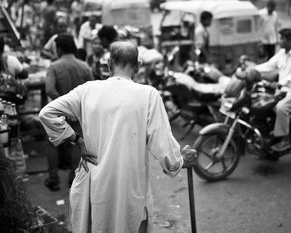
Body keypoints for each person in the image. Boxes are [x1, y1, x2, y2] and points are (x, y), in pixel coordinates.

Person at [39, 41, 197, 232]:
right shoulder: (148, 95)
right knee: (131, 222)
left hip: (95, 183)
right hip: (130, 185)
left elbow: (47, 113)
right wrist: (179, 161)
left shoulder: (87, 90)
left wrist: (76, 140)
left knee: (96, 224)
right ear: (137, 66)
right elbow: (161, 142)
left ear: (108, 64)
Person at [44, 33, 94, 191]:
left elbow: (50, 89)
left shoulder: (54, 66)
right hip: (79, 114)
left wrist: (63, 107)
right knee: (77, 144)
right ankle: (74, 179)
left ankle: (54, 179)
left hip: (60, 114)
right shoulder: (84, 66)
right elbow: (93, 91)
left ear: (58, 49)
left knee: (52, 142)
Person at [253, 28, 291, 151]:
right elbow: (269, 65)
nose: (279, 41)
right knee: (263, 102)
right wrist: (252, 69)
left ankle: (285, 140)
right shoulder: (282, 53)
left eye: (282, 39)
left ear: (290, 40)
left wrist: (281, 84)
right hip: (283, 91)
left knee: (281, 108)